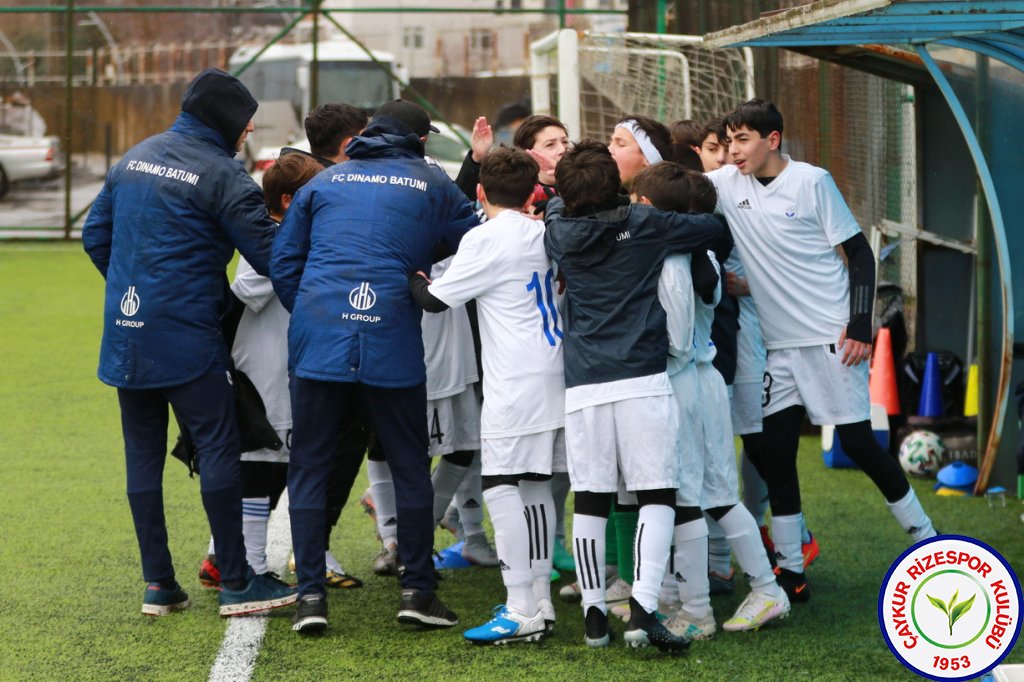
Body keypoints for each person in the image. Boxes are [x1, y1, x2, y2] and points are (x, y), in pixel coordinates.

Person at [81, 67, 298, 618]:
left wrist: (139, 293)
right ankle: (237, 583)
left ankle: (159, 585)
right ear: (227, 123)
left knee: (142, 459)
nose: (247, 136)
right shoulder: (224, 176)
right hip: (187, 338)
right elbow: (273, 260)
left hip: (127, 336)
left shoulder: (132, 158)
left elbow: (94, 236)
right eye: (245, 127)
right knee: (221, 449)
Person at [707, 99, 937, 603]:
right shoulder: (724, 184)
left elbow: (858, 253)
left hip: (830, 337)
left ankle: (926, 541)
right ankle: (791, 571)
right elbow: (675, 185)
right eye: (729, 141)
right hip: (775, 346)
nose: (734, 151)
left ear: (773, 140)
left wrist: (860, 324)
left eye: (743, 139)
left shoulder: (812, 181)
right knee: (775, 451)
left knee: (856, 441)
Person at [272, 99, 479, 634]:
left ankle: (310, 598)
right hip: (391, 335)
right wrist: (422, 253)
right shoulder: (431, 182)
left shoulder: (325, 182)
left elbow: (284, 262)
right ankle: (417, 591)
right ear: (419, 140)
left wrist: (318, 311)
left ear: (369, 134)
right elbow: (471, 242)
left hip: (319, 335)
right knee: (410, 465)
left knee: (311, 465)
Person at [544, 139, 723, 653]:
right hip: (643, 378)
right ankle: (643, 610)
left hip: (583, 384)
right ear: (618, 187)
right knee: (657, 494)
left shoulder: (557, 229)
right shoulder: (644, 224)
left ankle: (594, 615)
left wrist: (558, 197)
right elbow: (712, 228)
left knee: (592, 497)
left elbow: (560, 210)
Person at [409, 147, 566, 645]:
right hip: (557, 369)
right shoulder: (546, 232)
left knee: (500, 484)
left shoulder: (485, 237)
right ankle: (539, 599)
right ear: (533, 193)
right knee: (537, 484)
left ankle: (519, 606)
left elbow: (435, 300)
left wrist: (410, 272)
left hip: (516, 381)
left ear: (480, 192)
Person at [630, 162, 790, 639]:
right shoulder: (698, 253)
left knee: (692, 496)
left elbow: (676, 339)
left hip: (685, 382)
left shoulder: (676, 263)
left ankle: (702, 608)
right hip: (701, 381)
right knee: (713, 494)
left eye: (639, 203)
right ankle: (751, 590)